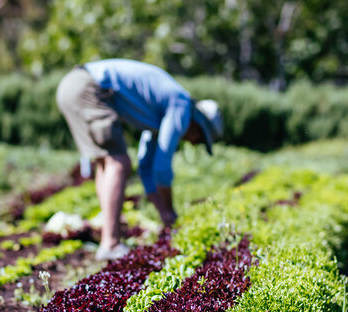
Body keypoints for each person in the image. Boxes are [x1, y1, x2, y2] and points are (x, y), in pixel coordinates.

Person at [56, 59, 223, 260]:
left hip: (72, 86)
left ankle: (108, 238)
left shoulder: (162, 113)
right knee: (119, 163)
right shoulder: (181, 105)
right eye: (200, 139)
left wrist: (163, 212)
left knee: (105, 162)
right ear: (199, 125)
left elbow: (146, 168)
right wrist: (170, 211)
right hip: (89, 88)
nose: (194, 143)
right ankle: (110, 243)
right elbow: (161, 167)